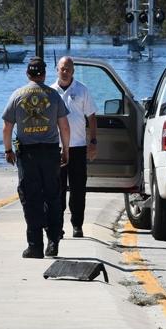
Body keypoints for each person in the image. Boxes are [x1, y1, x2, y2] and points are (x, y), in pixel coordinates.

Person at [1, 57, 71, 258]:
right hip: (50, 152)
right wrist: (65, 149)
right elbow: (64, 126)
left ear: (28, 74)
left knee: (31, 198)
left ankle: (35, 245)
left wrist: (8, 151)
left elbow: (7, 127)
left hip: (28, 154)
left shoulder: (17, 95)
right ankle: (53, 241)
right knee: (52, 196)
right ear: (44, 74)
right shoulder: (54, 95)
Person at [51, 56, 99, 238]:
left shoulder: (82, 90)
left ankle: (77, 225)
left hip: (78, 147)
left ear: (73, 71)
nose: (65, 72)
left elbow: (92, 117)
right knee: (57, 190)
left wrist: (93, 142)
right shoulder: (50, 91)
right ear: (57, 69)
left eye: (68, 69)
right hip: (56, 148)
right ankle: (58, 226)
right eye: (62, 68)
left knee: (78, 190)